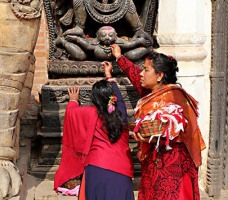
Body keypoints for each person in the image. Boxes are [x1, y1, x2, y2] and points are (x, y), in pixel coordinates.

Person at [101, 44, 206, 200]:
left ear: (159, 76)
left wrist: (154, 137)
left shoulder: (175, 98)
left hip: (173, 169)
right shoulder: (153, 92)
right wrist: (119, 58)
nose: (141, 74)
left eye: (146, 70)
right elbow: (136, 76)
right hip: (153, 165)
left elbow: (173, 129)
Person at [54, 78, 135, 199]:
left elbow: (71, 112)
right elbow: (121, 102)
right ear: (113, 99)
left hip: (97, 167)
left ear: (94, 100)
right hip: (122, 168)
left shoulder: (89, 113)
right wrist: (111, 79)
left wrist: (73, 100)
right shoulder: (121, 116)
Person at [55, 26, 152, 61]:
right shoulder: (95, 44)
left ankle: (149, 50)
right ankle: (63, 41)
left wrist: (139, 41)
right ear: (97, 36)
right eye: (103, 35)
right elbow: (87, 46)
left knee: (130, 55)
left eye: (110, 35)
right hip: (93, 58)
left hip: (118, 60)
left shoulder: (119, 42)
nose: (107, 38)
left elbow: (129, 45)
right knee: (80, 56)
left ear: (115, 36)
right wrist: (76, 39)